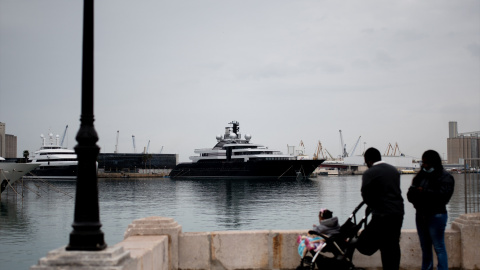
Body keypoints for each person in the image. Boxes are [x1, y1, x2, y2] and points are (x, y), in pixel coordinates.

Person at [356, 147, 404, 270]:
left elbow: (366, 195)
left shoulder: (369, 173)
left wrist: (372, 206)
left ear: (368, 160)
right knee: (393, 244)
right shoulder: (393, 170)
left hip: (381, 214)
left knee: (376, 243)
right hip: (398, 213)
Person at [407, 150, 454, 270]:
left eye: (427, 162)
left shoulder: (446, 177)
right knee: (425, 247)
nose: (424, 165)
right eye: (423, 162)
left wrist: (423, 192)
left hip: (436, 216)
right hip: (421, 215)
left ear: (434, 163)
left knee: (439, 247)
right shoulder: (420, 177)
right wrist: (419, 194)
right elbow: (410, 195)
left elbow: (443, 198)